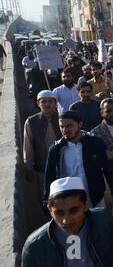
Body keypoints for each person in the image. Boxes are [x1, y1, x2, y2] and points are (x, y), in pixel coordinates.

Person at [21, 177, 113, 267]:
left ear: (85, 205)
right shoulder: (34, 247)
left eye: (74, 211)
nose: (66, 220)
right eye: (60, 213)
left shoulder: (103, 221)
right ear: (50, 210)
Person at [44, 110, 113, 209]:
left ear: (80, 124)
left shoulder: (96, 143)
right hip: (70, 201)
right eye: (62, 127)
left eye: (69, 126)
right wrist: (47, 200)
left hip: (96, 198)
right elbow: (49, 176)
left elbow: (109, 170)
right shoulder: (56, 150)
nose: (65, 130)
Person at [23, 90, 62, 228]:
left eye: (50, 101)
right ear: (38, 103)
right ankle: (51, 224)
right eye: (43, 101)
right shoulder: (32, 121)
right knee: (47, 198)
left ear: (55, 103)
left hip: (63, 166)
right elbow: (28, 145)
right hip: (42, 168)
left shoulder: (63, 118)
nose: (47, 104)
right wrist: (28, 165)